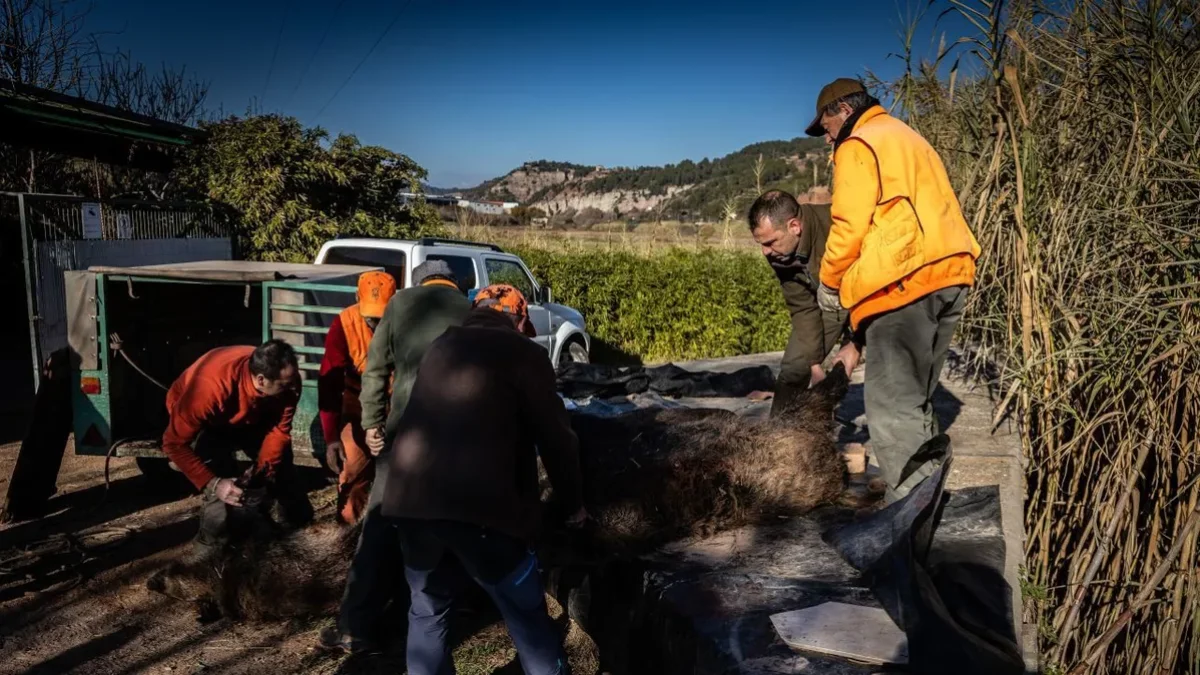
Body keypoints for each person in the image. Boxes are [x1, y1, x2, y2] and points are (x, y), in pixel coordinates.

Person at [381, 284, 587, 675]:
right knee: (525, 614)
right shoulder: (524, 353)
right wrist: (573, 504)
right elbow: (557, 439)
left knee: (427, 611)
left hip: (410, 503)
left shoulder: (441, 345)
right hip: (481, 510)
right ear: (520, 318)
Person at [805, 77, 981, 502]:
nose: (825, 136)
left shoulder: (859, 143)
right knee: (915, 402)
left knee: (890, 410)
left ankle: (909, 523)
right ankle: (930, 498)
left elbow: (849, 225)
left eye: (825, 125)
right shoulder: (907, 137)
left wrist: (830, 282)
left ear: (844, 111)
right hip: (951, 274)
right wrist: (857, 336)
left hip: (905, 282)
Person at [320, 260, 472, 655]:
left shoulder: (401, 304)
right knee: (450, 523)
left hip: (405, 433)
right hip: (457, 438)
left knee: (379, 527)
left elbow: (375, 370)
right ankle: (431, 615)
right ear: (452, 283)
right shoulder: (470, 309)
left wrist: (372, 423)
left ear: (418, 281)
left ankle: (355, 627)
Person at [160, 339, 309, 562]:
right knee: (221, 486)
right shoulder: (209, 388)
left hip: (252, 416)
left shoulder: (288, 382)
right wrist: (214, 483)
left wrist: (262, 477)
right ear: (261, 379)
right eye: (285, 384)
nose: (293, 387)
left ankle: (300, 533)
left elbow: (278, 431)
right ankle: (208, 553)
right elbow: (173, 443)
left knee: (282, 468)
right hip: (208, 421)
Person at [748, 189, 849, 415]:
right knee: (795, 367)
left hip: (876, 297)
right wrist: (814, 365)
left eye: (770, 242)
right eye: (761, 244)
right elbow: (803, 307)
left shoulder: (839, 225)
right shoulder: (779, 252)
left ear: (794, 226)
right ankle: (778, 433)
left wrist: (854, 342)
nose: (765, 252)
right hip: (831, 304)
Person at [318, 270, 397, 524]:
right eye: (370, 317)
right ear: (357, 298)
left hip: (400, 407)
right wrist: (331, 439)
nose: (375, 323)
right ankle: (347, 532)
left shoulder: (407, 323)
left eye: (381, 316)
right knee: (351, 468)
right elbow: (329, 385)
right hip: (357, 407)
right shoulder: (344, 324)